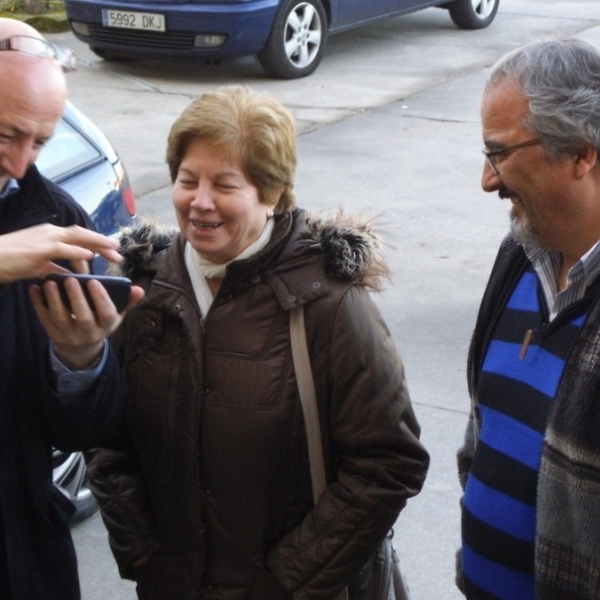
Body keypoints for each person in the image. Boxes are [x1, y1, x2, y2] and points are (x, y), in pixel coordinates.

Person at [86, 84, 430, 600]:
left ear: (271, 193)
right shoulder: (145, 293)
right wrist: (144, 553)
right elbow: (108, 440)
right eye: (187, 180)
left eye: (225, 184)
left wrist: (289, 581)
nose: (199, 202)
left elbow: (389, 462)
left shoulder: (327, 305)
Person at [0, 17, 144, 600]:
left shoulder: (56, 218)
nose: (19, 164)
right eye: (5, 134)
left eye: (40, 141)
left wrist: (82, 360)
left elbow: (88, 433)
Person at [456, 37, 600, 600]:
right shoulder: (519, 255)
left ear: (581, 153)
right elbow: (483, 435)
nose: (487, 180)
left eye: (500, 153)